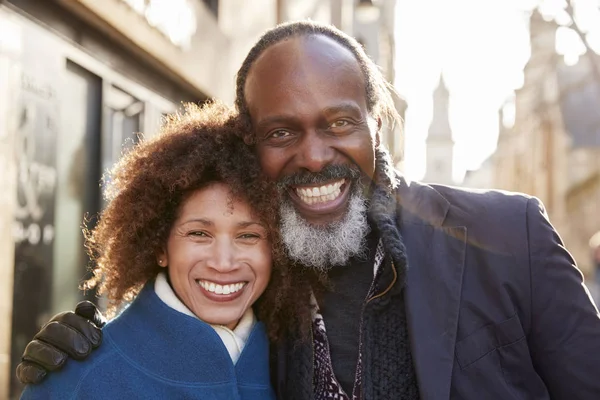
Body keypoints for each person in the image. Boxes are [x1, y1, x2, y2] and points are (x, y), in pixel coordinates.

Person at [18, 21, 600, 400]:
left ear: (378, 124)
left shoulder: (509, 235)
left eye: (340, 122)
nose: (315, 155)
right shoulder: (257, 275)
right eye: (281, 131)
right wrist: (82, 357)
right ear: (250, 144)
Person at [19, 102, 301, 399]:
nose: (223, 262)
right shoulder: (75, 381)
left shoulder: (302, 368)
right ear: (160, 245)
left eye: (248, 235)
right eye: (198, 233)